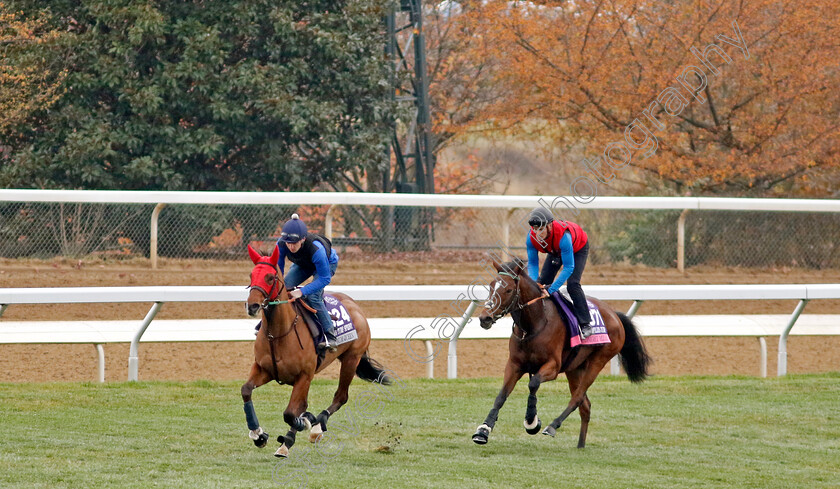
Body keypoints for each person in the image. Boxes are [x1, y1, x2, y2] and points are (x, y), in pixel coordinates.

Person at [525, 207, 593, 340]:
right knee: (541, 282)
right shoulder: (531, 238)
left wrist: (552, 288)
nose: (537, 233)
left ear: (549, 226)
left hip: (577, 249)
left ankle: (585, 324)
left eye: (541, 229)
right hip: (556, 250)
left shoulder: (564, 236)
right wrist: (535, 283)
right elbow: (533, 263)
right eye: (535, 229)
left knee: (572, 284)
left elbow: (568, 268)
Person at [275, 213, 339, 352]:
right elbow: (278, 271)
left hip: (326, 264)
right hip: (303, 264)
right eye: (288, 243)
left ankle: (330, 336)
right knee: (282, 289)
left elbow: (324, 278)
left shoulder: (317, 250)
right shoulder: (280, 244)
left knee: (313, 296)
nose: (291, 247)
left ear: (303, 239)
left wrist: (301, 291)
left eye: (294, 243)